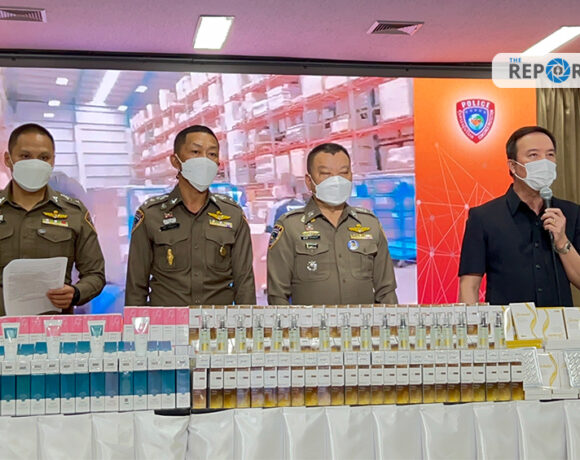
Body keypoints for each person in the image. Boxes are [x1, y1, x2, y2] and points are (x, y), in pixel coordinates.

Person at [125, 125, 256, 306]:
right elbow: (136, 287)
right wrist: (136, 323)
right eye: (195, 152)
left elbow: (245, 284)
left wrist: (247, 323)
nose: (205, 160)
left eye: (212, 154)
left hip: (216, 322)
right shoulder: (151, 214)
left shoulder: (232, 214)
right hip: (167, 322)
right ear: (175, 161)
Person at [459, 126, 580, 306]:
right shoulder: (483, 217)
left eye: (550, 155)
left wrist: (562, 241)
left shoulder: (572, 213)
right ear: (513, 166)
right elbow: (469, 285)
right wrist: (473, 321)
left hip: (560, 323)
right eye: (533, 155)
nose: (544, 162)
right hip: (507, 323)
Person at [267, 142, 398, 305]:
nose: (336, 181)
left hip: (362, 322)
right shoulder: (289, 227)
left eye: (343, 173)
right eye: (326, 174)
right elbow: (277, 296)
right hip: (311, 322)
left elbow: (386, 291)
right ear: (309, 181)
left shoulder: (369, 223)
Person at [0, 123, 106, 315]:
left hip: (55, 328)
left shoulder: (74, 213)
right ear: (8, 159)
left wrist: (75, 293)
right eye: (25, 156)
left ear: (53, 161)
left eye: (44, 157)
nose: (35, 164)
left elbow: (95, 275)